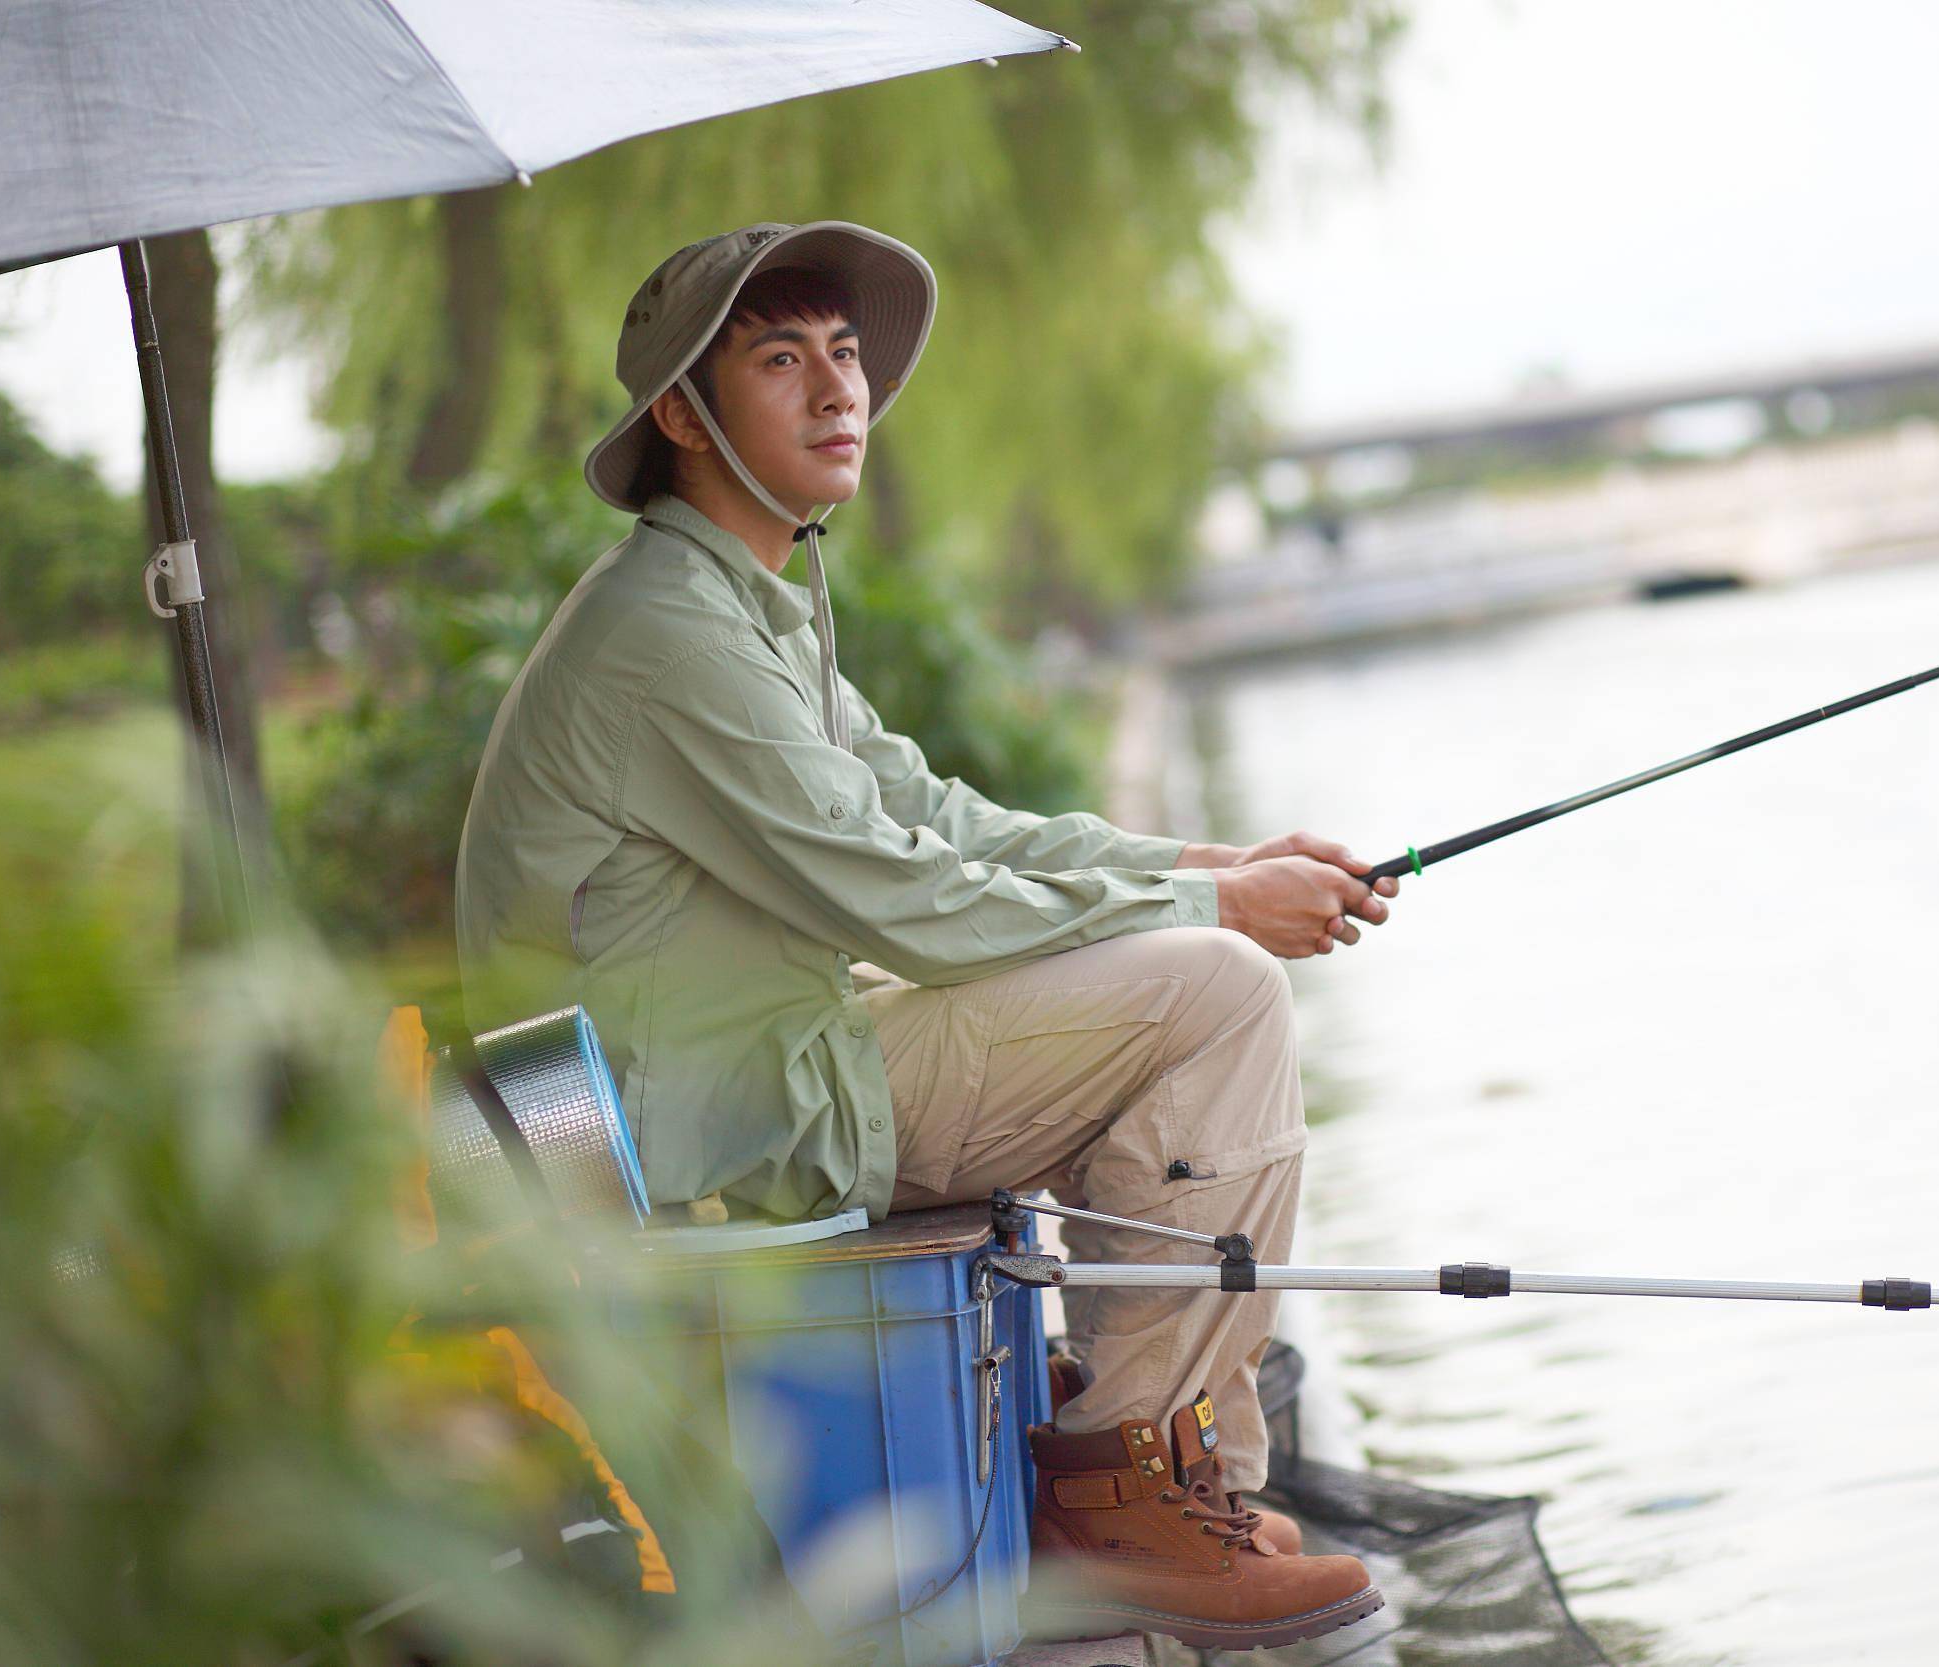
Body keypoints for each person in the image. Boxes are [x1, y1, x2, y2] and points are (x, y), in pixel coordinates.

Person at [454, 221, 1396, 1648]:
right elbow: (914, 904)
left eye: (847, 355)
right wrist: (1215, 910)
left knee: (1181, 971)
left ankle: (1169, 1476)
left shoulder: (743, 606)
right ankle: (1127, 1499)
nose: (842, 392)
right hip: (691, 1142)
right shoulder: (669, 634)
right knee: (1211, 996)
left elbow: (941, 822)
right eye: (782, 360)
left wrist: (1213, 858)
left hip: (754, 1075)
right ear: (680, 418)